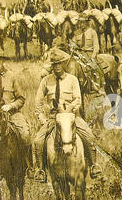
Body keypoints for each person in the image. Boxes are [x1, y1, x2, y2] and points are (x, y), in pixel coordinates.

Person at [33, 47, 102, 182]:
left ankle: (94, 166)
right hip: (54, 118)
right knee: (38, 141)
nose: (57, 67)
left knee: (90, 137)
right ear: (52, 66)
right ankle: (40, 170)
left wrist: (71, 109)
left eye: (59, 64)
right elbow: (38, 102)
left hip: (72, 117)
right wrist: (42, 118)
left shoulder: (72, 79)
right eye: (54, 65)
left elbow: (78, 99)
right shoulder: (46, 81)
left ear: (64, 64)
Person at [71, 15, 104, 95]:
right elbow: (73, 43)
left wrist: (93, 57)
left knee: (95, 68)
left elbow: (96, 47)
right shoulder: (77, 33)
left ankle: (99, 87)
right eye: (80, 22)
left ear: (87, 23)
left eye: (83, 22)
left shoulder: (92, 32)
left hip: (89, 54)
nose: (81, 24)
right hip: (79, 54)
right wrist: (73, 47)